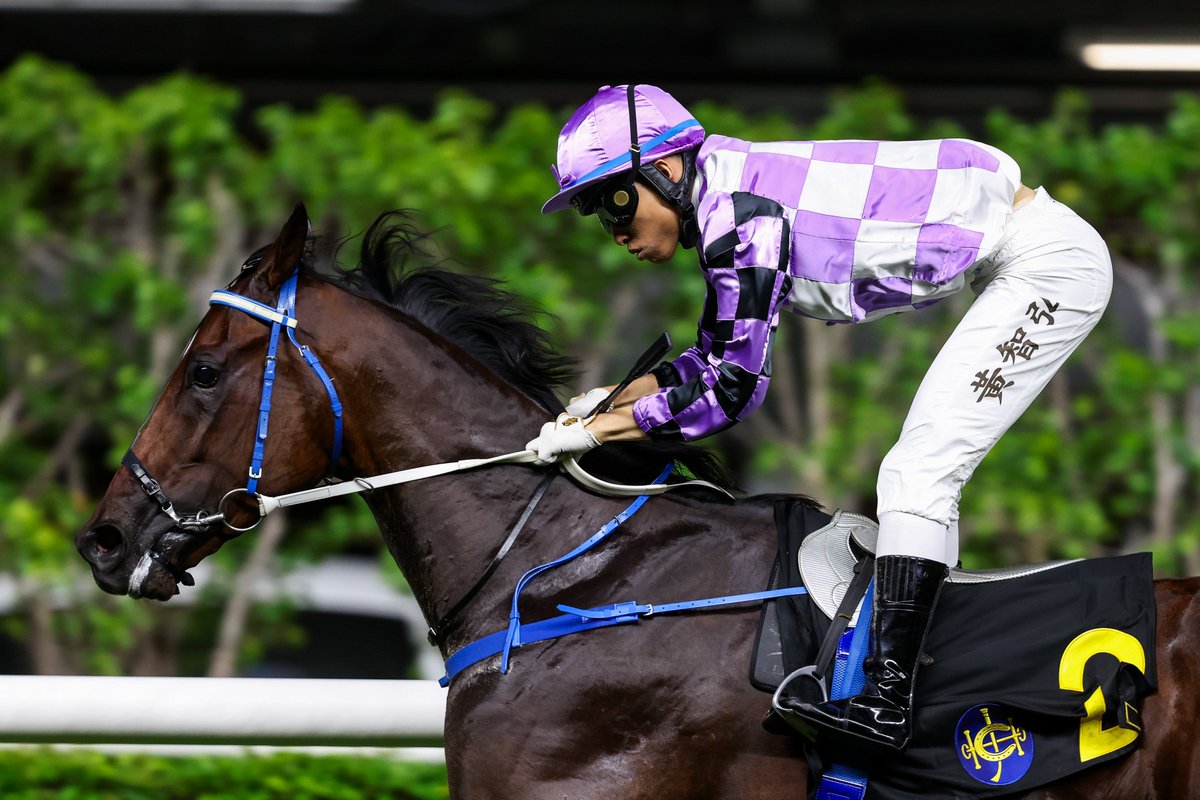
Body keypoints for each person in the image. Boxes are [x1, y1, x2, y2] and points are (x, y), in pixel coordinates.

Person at [525, 84, 1112, 751]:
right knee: (921, 476)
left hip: (1047, 266)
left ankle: (887, 704)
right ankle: (914, 682)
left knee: (918, 474)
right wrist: (608, 401)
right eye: (598, 213)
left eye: (616, 202)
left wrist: (595, 433)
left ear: (665, 170)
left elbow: (731, 390)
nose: (616, 231)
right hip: (1021, 256)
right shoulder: (726, 197)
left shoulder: (739, 214)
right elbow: (714, 356)